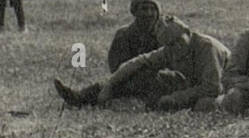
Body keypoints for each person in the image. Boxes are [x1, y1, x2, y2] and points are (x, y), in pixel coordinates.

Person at [55, 16, 230, 111]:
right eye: (170, 44)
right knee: (140, 75)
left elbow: (212, 87)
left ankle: (147, 104)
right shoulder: (170, 50)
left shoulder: (206, 48)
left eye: (178, 41)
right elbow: (137, 62)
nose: (175, 47)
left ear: (188, 33)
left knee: (205, 106)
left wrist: (176, 98)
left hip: (223, 88)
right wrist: (109, 85)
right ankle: (82, 97)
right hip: (191, 84)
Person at [108, 0, 164, 73]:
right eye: (144, 9)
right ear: (135, 12)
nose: (149, 13)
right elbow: (117, 69)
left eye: (153, 9)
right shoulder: (124, 35)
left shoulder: (165, 34)